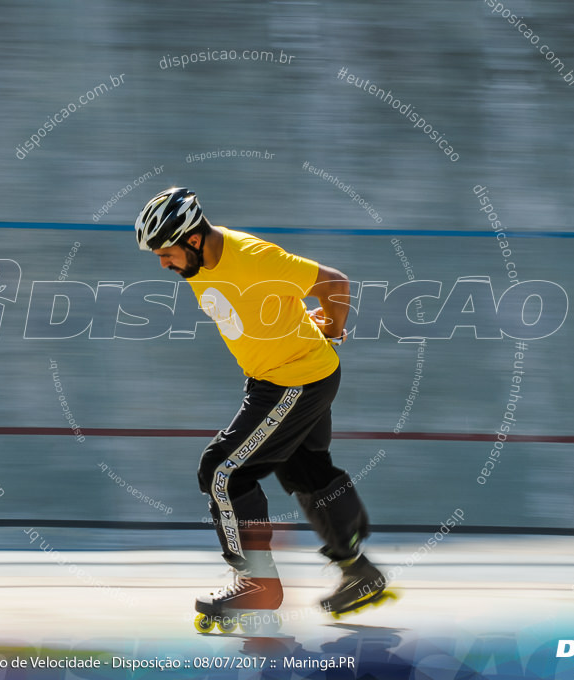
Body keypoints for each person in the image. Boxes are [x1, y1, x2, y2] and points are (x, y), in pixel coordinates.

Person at [135, 187, 387, 627]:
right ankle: (358, 571)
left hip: (294, 381)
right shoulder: (198, 264)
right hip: (288, 376)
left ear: (193, 239)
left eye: (166, 252)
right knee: (305, 471)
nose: (163, 263)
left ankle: (257, 585)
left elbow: (334, 283)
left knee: (221, 470)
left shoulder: (252, 257)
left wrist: (332, 328)